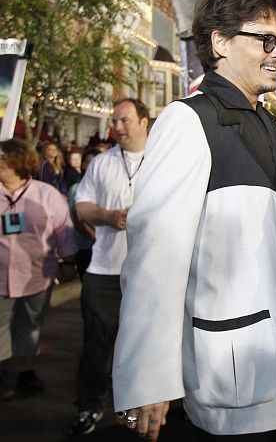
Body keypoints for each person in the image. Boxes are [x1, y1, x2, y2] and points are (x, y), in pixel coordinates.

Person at [112, 0, 276, 441]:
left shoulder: (266, 123)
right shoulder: (187, 121)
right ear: (220, 42)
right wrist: (147, 379)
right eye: (265, 38)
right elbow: (154, 260)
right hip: (233, 382)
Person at [70, 98, 149, 436]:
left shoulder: (163, 159)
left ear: (144, 121)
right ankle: (89, 407)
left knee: (142, 346)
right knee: (97, 345)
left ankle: (132, 411)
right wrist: (107, 216)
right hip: (104, 271)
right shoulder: (102, 163)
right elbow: (82, 207)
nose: (117, 127)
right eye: (114, 121)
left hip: (148, 273)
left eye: (125, 120)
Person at [0, 138, 76, 399]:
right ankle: (4, 375)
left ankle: (25, 372)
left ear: (19, 161)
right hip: (0, 277)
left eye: (3, 158)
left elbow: (63, 230)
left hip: (36, 274)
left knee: (29, 326)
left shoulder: (45, 194)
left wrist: (68, 261)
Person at [67, 148, 101, 279]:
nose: (92, 166)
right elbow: (77, 221)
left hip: (107, 245)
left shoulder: (110, 188)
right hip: (85, 246)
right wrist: (95, 237)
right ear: (83, 164)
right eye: (88, 162)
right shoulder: (76, 189)